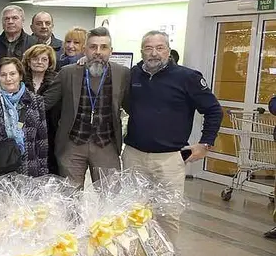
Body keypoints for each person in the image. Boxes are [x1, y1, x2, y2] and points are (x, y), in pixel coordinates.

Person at [124, 30, 223, 241]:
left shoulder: (188, 77)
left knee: (167, 215)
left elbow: (213, 110)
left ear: (168, 51)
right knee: (132, 212)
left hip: (169, 159)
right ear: (141, 51)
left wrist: (205, 143)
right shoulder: (132, 75)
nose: (154, 53)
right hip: (134, 155)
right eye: (148, 48)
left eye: (159, 48)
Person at [55, 27, 129, 188]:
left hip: (106, 144)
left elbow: (132, 105)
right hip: (73, 144)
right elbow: (47, 102)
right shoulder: (68, 72)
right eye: (93, 46)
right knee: (69, 198)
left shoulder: (122, 73)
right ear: (84, 50)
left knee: (110, 196)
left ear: (111, 51)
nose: (98, 51)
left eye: (104, 47)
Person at [0, 58, 49, 181]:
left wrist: (43, 172)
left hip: (27, 168)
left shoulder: (35, 101)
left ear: (20, 76)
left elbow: (42, 139)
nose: (8, 78)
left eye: (12, 74)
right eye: (3, 75)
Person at [24, 44, 63, 175]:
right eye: (35, 58)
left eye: (44, 59)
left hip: (50, 131)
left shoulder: (58, 81)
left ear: (50, 62)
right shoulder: (19, 80)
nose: (39, 62)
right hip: (24, 132)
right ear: (29, 62)